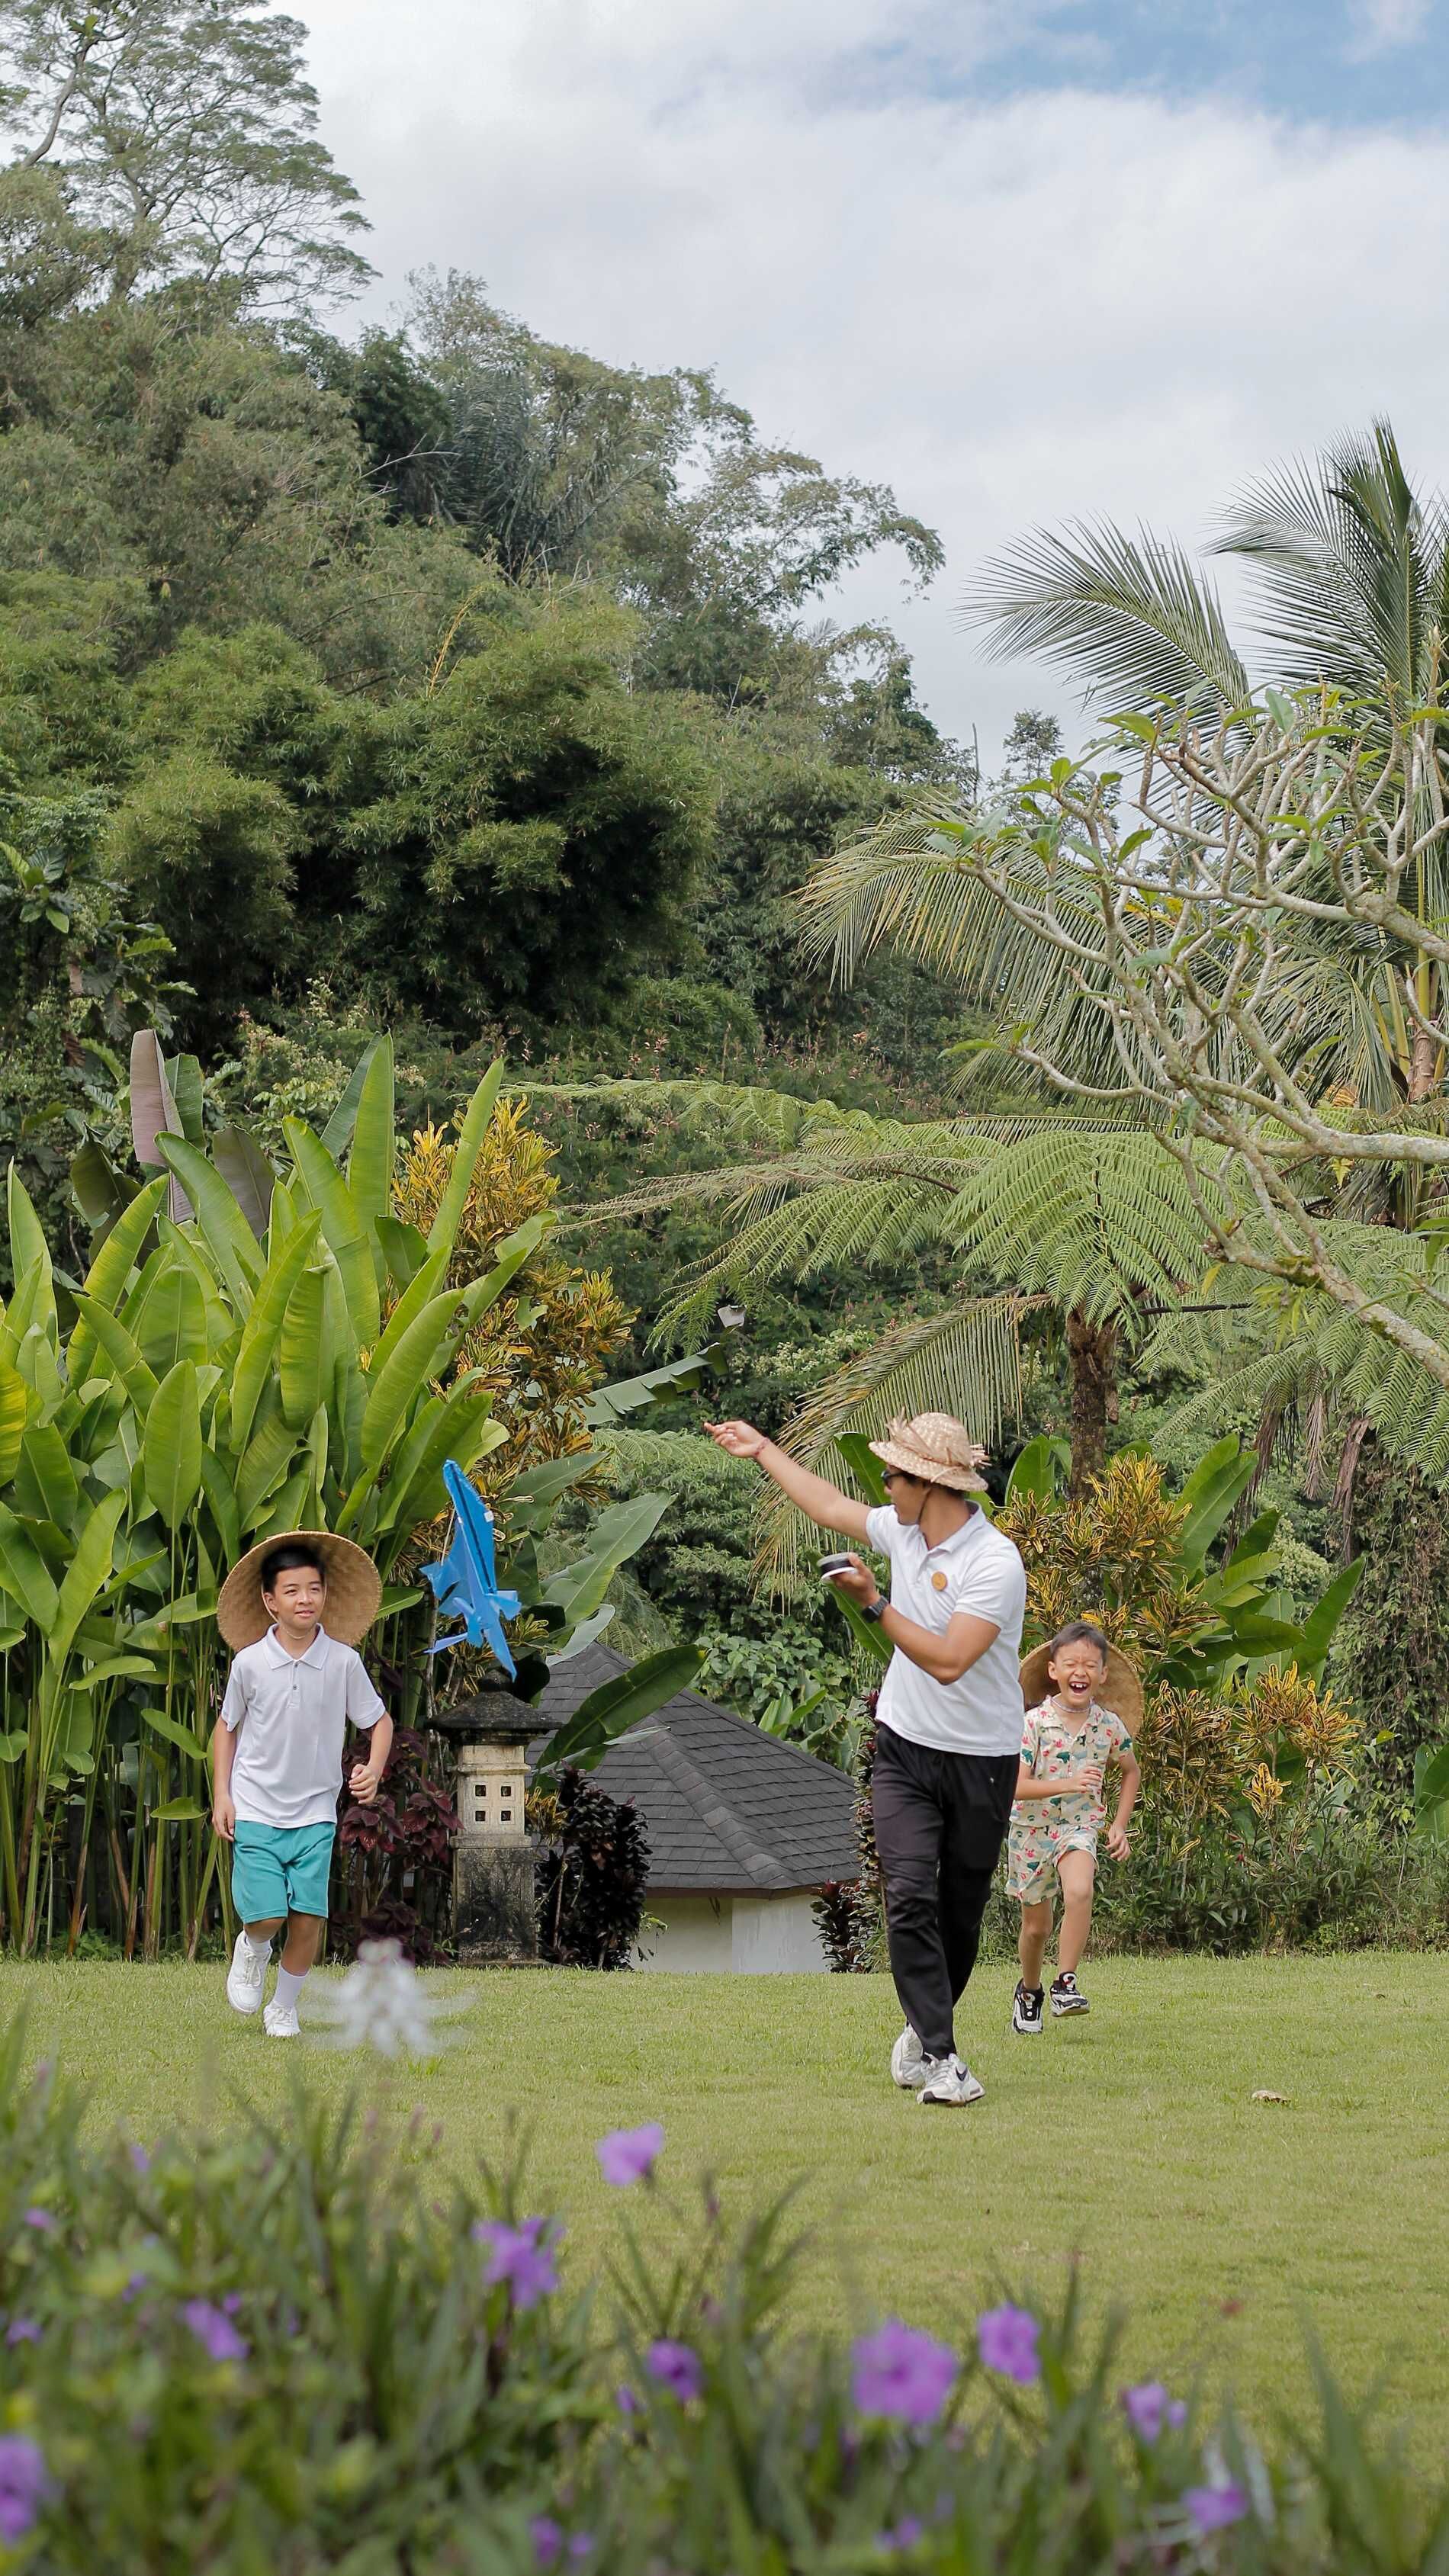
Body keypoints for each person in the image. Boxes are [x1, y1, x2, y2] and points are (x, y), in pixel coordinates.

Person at [706, 1410, 1027, 2107]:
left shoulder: (994, 1563)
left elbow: (949, 1662)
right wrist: (762, 1449)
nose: (883, 1485)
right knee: (907, 1893)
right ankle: (944, 2060)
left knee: (959, 1915)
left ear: (930, 1485)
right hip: (905, 1748)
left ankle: (924, 2028)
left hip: (982, 1760)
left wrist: (875, 1601)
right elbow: (826, 1504)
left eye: (892, 1475)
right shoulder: (903, 1530)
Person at [211, 1529, 393, 2038]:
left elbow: (379, 1723)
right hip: (256, 1807)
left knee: (309, 1918)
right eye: (291, 1591)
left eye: (314, 1588)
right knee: (267, 1916)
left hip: (315, 1811)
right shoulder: (249, 1664)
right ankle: (253, 1949)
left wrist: (373, 1769)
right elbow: (225, 1730)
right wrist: (222, 1795)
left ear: (326, 1595)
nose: (304, 1599)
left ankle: (284, 2008)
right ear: (270, 1601)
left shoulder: (342, 1661)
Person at [1006, 1621, 1142, 2034]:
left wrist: (1118, 1824)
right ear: (1053, 1671)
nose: (1080, 1672)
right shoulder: (1033, 1723)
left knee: (1081, 1889)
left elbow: (1131, 1771)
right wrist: (1068, 1782)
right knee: (1037, 1928)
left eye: (1089, 1665)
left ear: (1102, 1675)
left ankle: (1066, 1982)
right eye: (1071, 1664)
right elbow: (1016, 1787)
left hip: (1079, 1827)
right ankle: (1029, 1992)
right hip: (1030, 1833)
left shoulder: (1108, 1726)